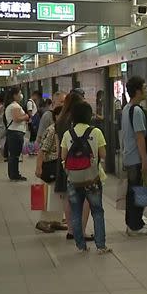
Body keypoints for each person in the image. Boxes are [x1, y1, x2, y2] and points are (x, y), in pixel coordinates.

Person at [60, 101, 111, 254]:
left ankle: (81, 246)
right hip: (92, 180)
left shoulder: (67, 134)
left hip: (73, 181)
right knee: (97, 212)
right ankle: (101, 246)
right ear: (89, 116)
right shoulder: (96, 132)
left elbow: (63, 157)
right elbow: (103, 155)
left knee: (75, 212)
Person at [55, 92, 94, 241]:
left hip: (63, 161)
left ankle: (71, 230)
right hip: (79, 162)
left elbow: (60, 145)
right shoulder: (78, 121)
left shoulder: (60, 120)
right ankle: (81, 231)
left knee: (67, 195)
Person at [121, 76, 147, 236]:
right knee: (139, 192)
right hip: (136, 159)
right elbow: (139, 136)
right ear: (137, 91)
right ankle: (136, 225)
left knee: (133, 192)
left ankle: (132, 224)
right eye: (144, 87)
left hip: (129, 157)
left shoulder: (127, 109)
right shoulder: (137, 111)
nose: (146, 90)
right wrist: (145, 160)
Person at [35, 106, 68, 233]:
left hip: (58, 167)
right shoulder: (52, 130)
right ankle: (43, 221)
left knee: (57, 196)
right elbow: (42, 150)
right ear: (56, 116)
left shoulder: (62, 130)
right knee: (47, 195)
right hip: (50, 167)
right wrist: (38, 167)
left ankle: (55, 221)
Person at [5, 87, 29, 182]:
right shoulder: (15, 106)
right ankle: (15, 174)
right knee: (15, 155)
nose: (21, 95)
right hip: (16, 133)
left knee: (13, 155)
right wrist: (26, 116)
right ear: (15, 95)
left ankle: (13, 174)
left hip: (13, 132)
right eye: (20, 93)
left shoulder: (12, 105)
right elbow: (16, 119)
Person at [27, 90, 41, 155]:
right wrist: (33, 119)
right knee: (33, 136)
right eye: (37, 96)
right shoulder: (30, 102)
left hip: (33, 121)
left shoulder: (32, 102)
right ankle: (31, 150)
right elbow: (29, 111)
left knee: (33, 136)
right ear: (35, 95)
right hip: (33, 122)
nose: (37, 98)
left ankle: (32, 150)